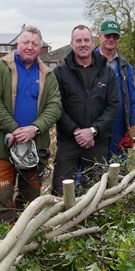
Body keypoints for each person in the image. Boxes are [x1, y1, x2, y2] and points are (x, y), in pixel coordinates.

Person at [0, 25, 62, 225]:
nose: (29, 47)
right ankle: (1, 245)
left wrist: (34, 128)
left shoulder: (47, 74)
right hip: (3, 146)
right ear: (17, 44)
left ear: (40, 47)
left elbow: (55, 106)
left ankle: (24, 241)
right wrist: (14, 129)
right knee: (2, 199)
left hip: (34, 147)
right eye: (25, 42)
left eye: (35, 44)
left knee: (30, 200)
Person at [51, 24, 119, 196]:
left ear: (93, 42)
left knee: (95, 192)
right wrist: (75, 131)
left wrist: (92, 130)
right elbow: (56, 106)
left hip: (98, 141)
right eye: (78, 40)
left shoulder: (107, 72)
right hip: (68, 141)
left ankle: (91, 223)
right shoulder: (60, 73)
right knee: (61, 192)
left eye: (86, 40)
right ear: (72, 44)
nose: (83, 44)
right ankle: (64, 223)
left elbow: (112, 106)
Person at [96, 20, 135, 160]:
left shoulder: (125, 67)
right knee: (93, 174)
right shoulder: (89, 63)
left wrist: (134, 125)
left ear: (119, 39)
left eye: (115, 36)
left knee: (120, 174)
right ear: (100, 36)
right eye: (107, 35)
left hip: (119, 129)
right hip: (95, 129)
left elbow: (133, 98)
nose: (111, 39)